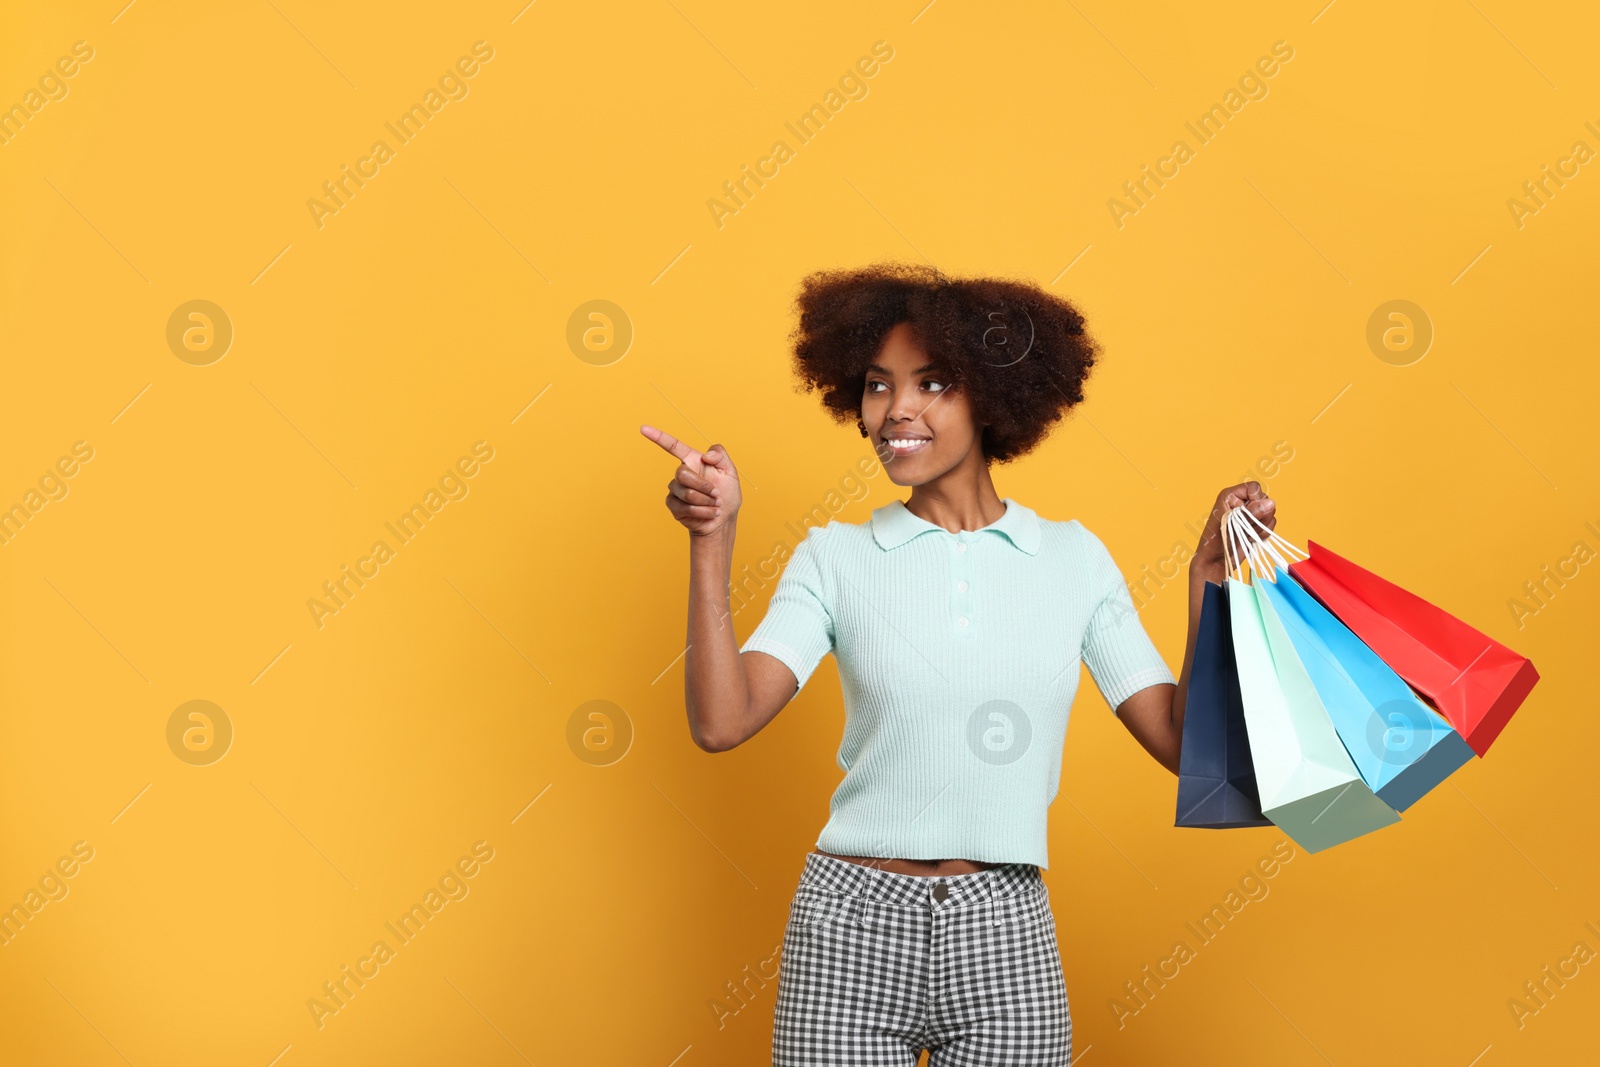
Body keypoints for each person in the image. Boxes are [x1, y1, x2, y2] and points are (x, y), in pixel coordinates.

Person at [642, 262, 1277, 1066]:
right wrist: (712, 541)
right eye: (878, 386)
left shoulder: (1074, 560)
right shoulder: (835, 558)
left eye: (932, 383)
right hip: (849, 930)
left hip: (1004, 929)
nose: (896, 410)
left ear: (994, 396)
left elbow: (1186, 747)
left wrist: (1209, 581)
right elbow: (721, 721)